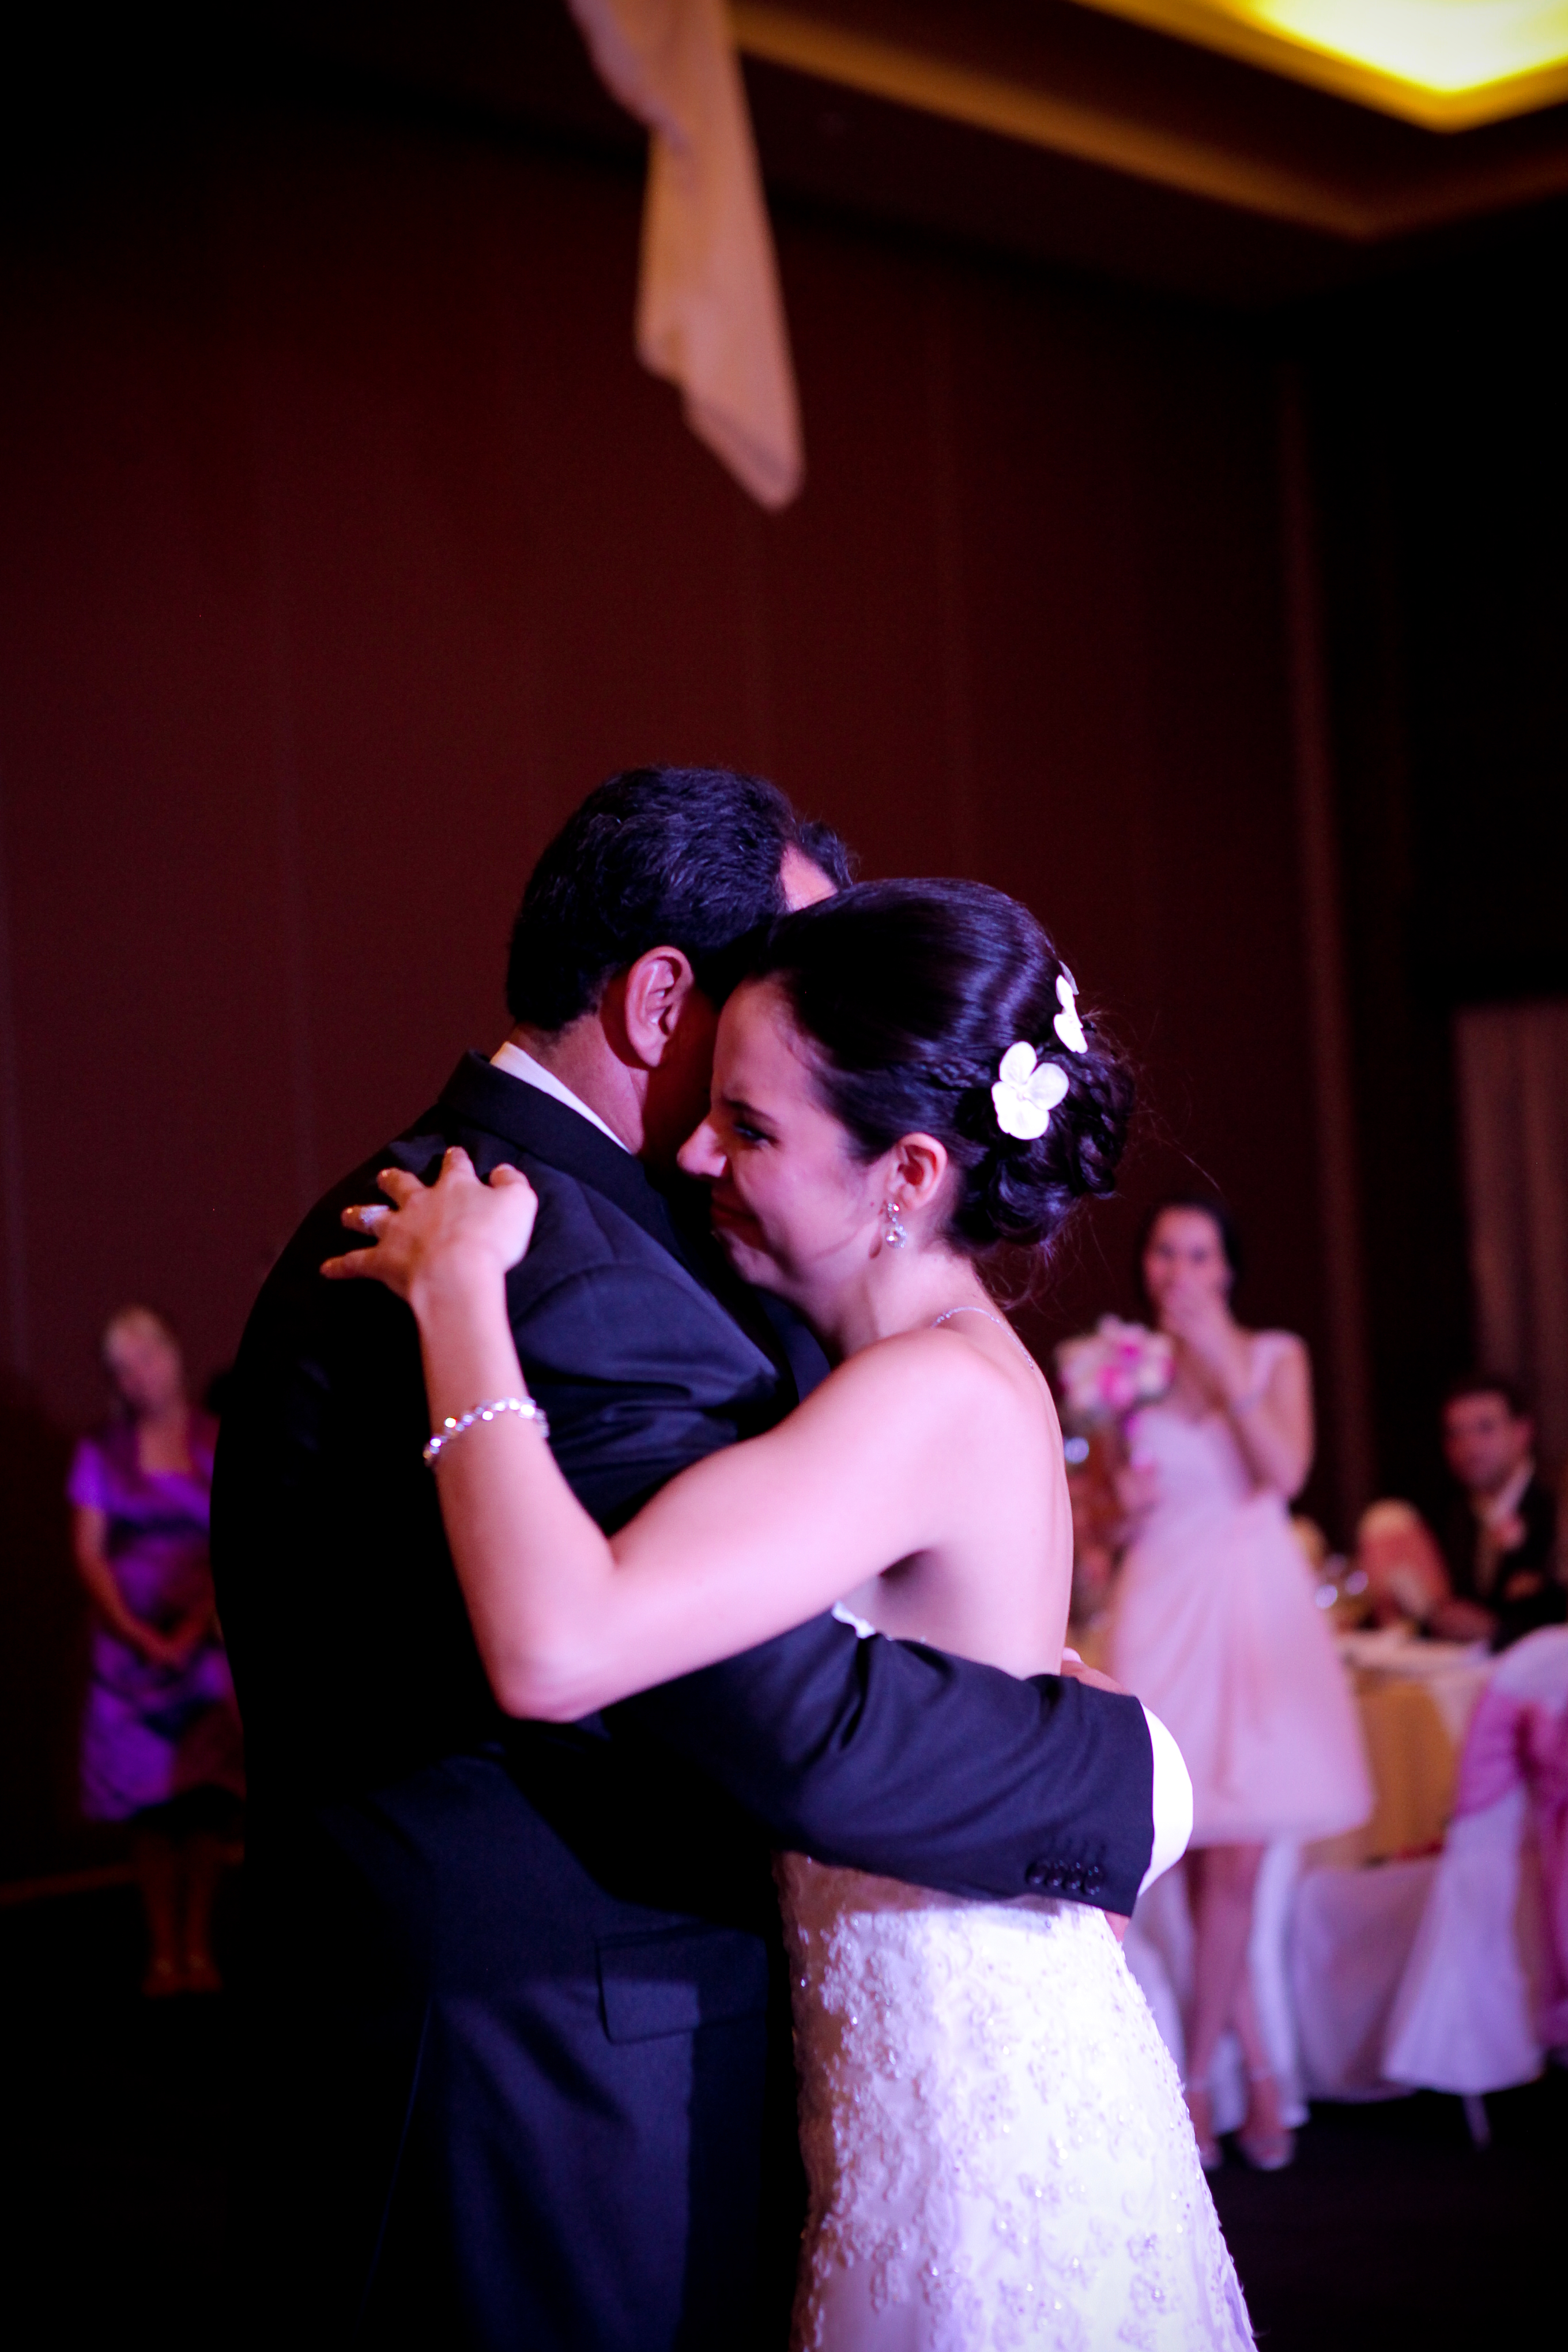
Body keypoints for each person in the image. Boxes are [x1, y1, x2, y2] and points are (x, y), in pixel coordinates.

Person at [212, 770, 1175, 2351]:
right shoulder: (552, 1256)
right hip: (543, 2080)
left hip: (630, 2055)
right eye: (785, 992)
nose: (807, 1024)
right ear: (669, 998)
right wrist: (1121, 1774)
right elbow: (786, 1714)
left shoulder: (591, 1237)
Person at [1107, 1199, 1371, 2172]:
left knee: (1242, 1861)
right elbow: (1101, 1531)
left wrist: (1220, 1366)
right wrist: (1110, 1504)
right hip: (1161, 1607)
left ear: (1226, 1269)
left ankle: (1198, 2084)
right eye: (1165, 1251)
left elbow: (1284, 1470)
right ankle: (1255, 2075)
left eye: (1199, 1253)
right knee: (1195, 1853)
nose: (1179, 1269)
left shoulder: (1275, 1355)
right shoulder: (1123, 1372)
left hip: (1252, 1615)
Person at [67, 1306, 243, 1995]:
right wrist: (140, 1635)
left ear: (172, 1358)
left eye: (148, 1358)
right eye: (124, 1368)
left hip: (202, 1653)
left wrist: (196, 1622)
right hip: (130, 1661)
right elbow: (88, 1555)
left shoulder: (215, 1438)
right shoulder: (100, 1452)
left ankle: (199, 1944)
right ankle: (161, 1950)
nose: (140, 1377)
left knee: (202, 1806)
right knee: (148, 1815)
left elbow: (234, 1536)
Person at [1428, 1375, 1563, 1651]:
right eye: (1455, 1433)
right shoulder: (1453, 1513)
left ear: (1522, 1432)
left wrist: (1496, 1630)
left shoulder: (1558, 1506)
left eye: (1485, 1428)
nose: (1469, 1446)